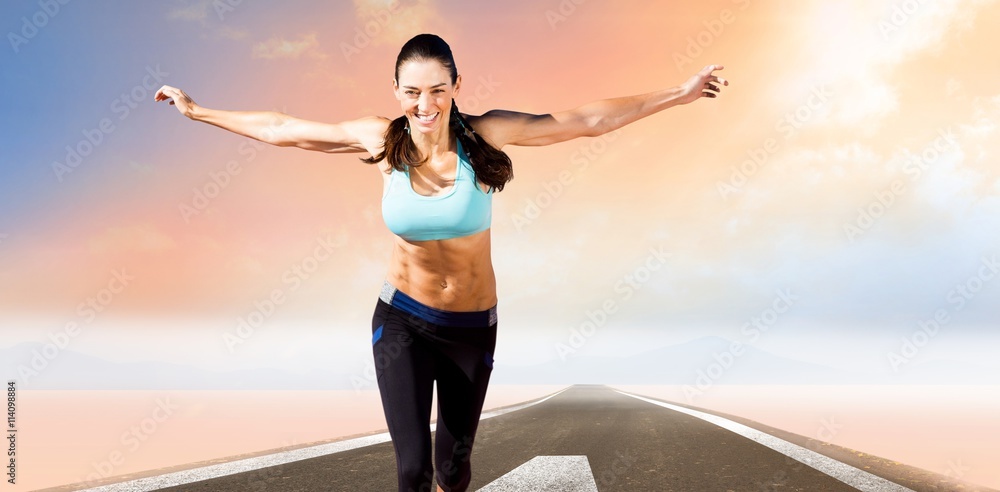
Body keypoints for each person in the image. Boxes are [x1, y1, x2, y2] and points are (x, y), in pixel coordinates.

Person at [155, 32, 727, 492]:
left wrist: (677, 93)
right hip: (400, 321)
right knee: (412, 473)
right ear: (396, 90)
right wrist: (197, 111)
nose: (424, 106)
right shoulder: (379, 140)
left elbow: (585, 119)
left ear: (456, 85)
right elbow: (282, 129)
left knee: (452, 473)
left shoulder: (486, 136)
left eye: (436, 90)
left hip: (470, 330)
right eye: (411, 92)